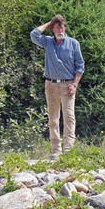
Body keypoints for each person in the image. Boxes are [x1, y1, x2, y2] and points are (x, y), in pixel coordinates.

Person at [30, 14, 85, 160]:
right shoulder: (47, 42)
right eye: (55, 27)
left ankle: (68, 149)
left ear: (64, 27)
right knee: (53, 118)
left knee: (69, 116)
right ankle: (56, 150)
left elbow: (80, 66)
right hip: (51, 84)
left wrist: (75, 84)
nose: (59, 29)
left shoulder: (73, 43)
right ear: (52, 30)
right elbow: (34, 34)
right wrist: (49, 23)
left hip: (68, 84)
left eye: (60, 26)